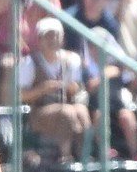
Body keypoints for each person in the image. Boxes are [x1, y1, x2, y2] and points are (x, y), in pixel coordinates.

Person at [22, 16, 90, 162]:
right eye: (48, 36)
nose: (52, 40)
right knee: (67, 112)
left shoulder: (71, 60)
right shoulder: (30, 62)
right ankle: (65, 156)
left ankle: (85, 156)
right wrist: (43, 89)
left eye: (56, 36)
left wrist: (71, 88)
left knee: (81, 111)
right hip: (39, 112)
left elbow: (76, 89)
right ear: (39, 40)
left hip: (66, 104)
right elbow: (21, 95)